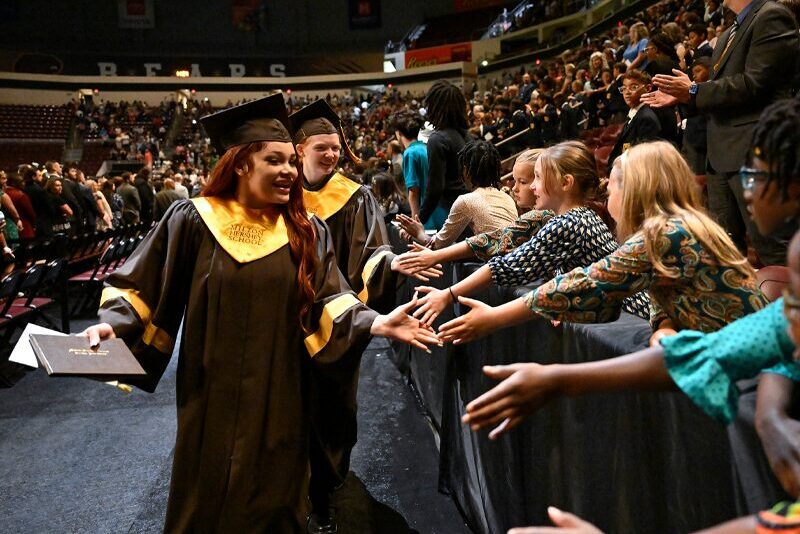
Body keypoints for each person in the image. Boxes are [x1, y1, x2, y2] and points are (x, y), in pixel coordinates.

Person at [80, 94, 439, 533]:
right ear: (242, 164)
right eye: (276, 160)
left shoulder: (308, 231)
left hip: (282, 391)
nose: (290, 171)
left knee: (275, 501)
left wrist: (377, 322)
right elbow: (143, 284)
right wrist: (113, 325)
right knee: (204, 496)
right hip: (209, 389)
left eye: (292, 160)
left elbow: (330, 300)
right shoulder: (193, 220)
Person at [438, 141, 766, 348]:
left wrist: (494, 317)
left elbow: (588, 285)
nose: (608, 190)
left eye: (616, 184)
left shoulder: (665, 234)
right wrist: (664, 326)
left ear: (638, 190)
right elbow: (665, 297)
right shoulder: (684, 227)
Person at [289, 98, 441, 533]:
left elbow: (374, 250)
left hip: (339, 318)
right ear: (300, 149)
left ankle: (327, 489)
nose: (332, 155)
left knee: (333, 409)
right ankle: (296, 492)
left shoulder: (354, 198)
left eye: (336, 147)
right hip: (290, 323)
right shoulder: (281, 195)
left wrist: (391, 263)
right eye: (322, 148)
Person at [407, 141, 650, 327]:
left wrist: (449, 293)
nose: (532, 187)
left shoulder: (569, 221)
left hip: (633, 315)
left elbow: (506, 265)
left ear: (565, 183)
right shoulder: (576, 216)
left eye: (536, 178)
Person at [642, 0, 800, 265]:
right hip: (720, 157)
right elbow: (719, 94)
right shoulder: (729, 32)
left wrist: (694, 90)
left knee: (776, 254)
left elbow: (754, 84)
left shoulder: (772, 16)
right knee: (726, 255)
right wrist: (686, 98)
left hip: (756, 154)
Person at [396, 139, 518, 250]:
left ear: (466, 170)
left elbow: (437, 244)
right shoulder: (507, 197)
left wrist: (418, 232)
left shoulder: (466, 200)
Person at [418, 80, 470, 226]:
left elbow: (435, 188)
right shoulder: (468, 136)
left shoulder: (437, 139)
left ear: (434, 107)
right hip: (473, 207)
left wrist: (418, 221)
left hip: (456, 211)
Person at [391, 110, 447, 230]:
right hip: (442, 213)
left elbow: (414, 192)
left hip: (427, 219)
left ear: (398, 133)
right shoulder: (427, 148)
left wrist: (413, 225)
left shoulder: (410, 153)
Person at [606, 70, 663, 176]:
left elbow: (642, 157)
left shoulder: (646, 118)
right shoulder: (635, 114)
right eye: (624, 88)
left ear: (648, 88)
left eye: (633, 87)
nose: (627, 92)